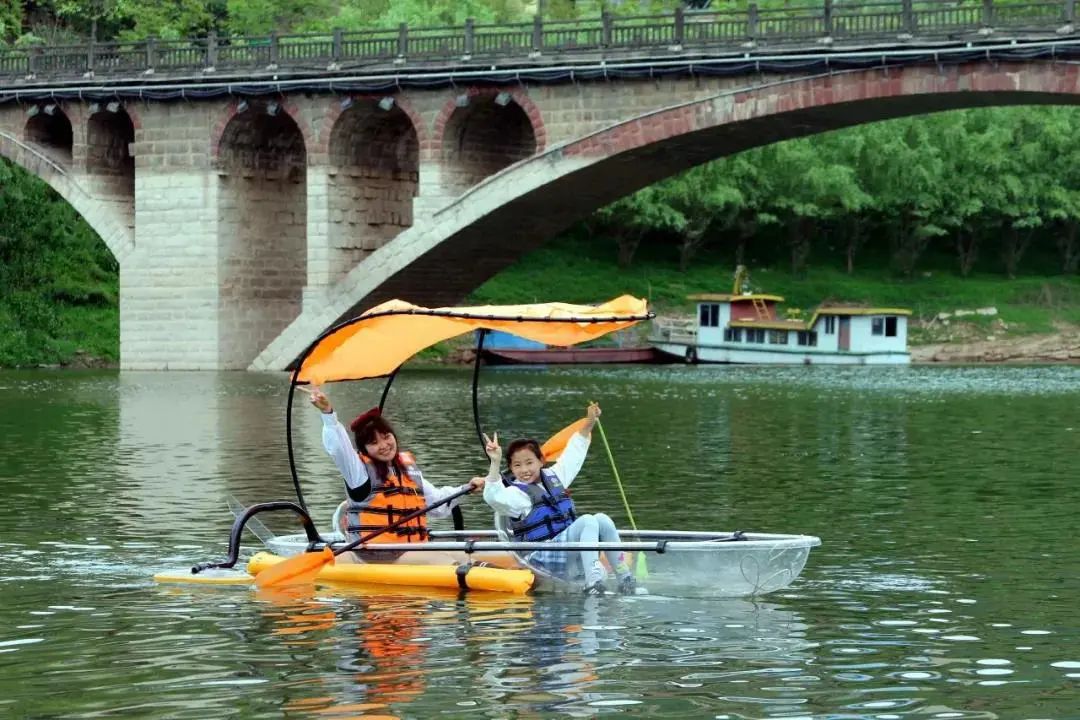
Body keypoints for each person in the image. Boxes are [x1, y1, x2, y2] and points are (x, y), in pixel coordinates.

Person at [304, 385, 484, 565]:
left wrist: (466, 489)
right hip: (376, 553)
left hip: (411, 549)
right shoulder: (358, 473)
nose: (384, 445)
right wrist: (328, 414)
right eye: (374, 442)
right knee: (441, 559)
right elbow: (338, 449)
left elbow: (436, 504)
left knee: (466, 556)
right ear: (364, 449)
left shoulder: (408, 470)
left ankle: (498, 576)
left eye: (386, 436)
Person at [478, 402, 641, 595]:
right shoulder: (517, 494)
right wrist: (495, 462)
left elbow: (575, 451)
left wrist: (590, 422)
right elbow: (493, 497)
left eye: (529, 463)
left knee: (602, 520)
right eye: (517, 466)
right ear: (512, 469)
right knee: (587, 520)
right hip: (539, 557)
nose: (524, 470)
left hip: (565, 552)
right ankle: (593, 582)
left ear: (541, 461)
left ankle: (625, 579)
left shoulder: (555, 476)